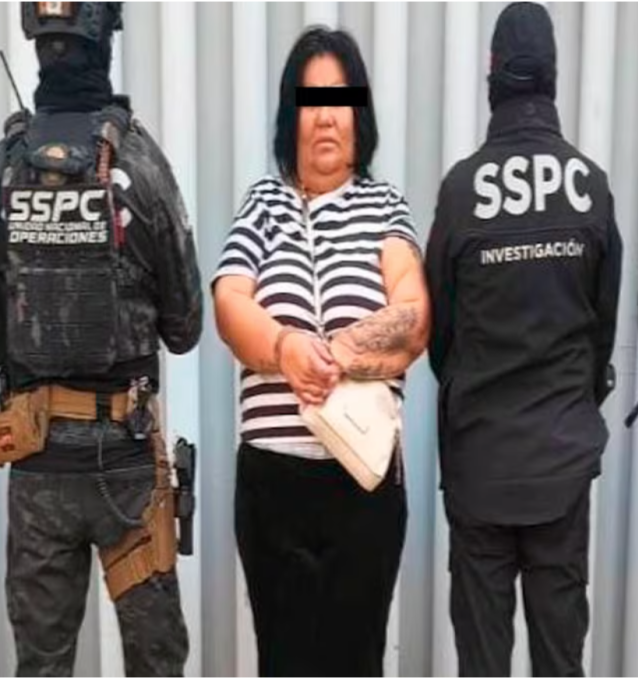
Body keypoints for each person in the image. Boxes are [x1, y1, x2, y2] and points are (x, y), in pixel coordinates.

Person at [0, 2, 202, 676]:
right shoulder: (141, 165)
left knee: (42, 666)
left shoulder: (1, 169)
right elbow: (186, 325)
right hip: (127, 467)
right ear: (105, 37)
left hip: (38, 461)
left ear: (36, 40)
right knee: (157, 664)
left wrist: (16, 337)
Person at [213, 26, 430, 677]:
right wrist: (284, 347)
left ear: (360, 115)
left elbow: (414, 316)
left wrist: (333, 352)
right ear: (292, 116)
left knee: (356, 661)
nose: (327, 116)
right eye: (312, 100)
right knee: (283, 662)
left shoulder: (384, 206)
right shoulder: (264, 203)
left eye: (340, 99)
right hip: (272, 483)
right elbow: (229, 301)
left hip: (361, 483)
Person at [424, 3, 622, 676]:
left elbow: (440, 334)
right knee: (560, 658)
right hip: (561, 460)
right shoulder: (590, 186)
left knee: (483, 661)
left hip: (480, 459)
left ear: (492, 76)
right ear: (553, 77)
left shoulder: (461, 190)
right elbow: (602, 330)